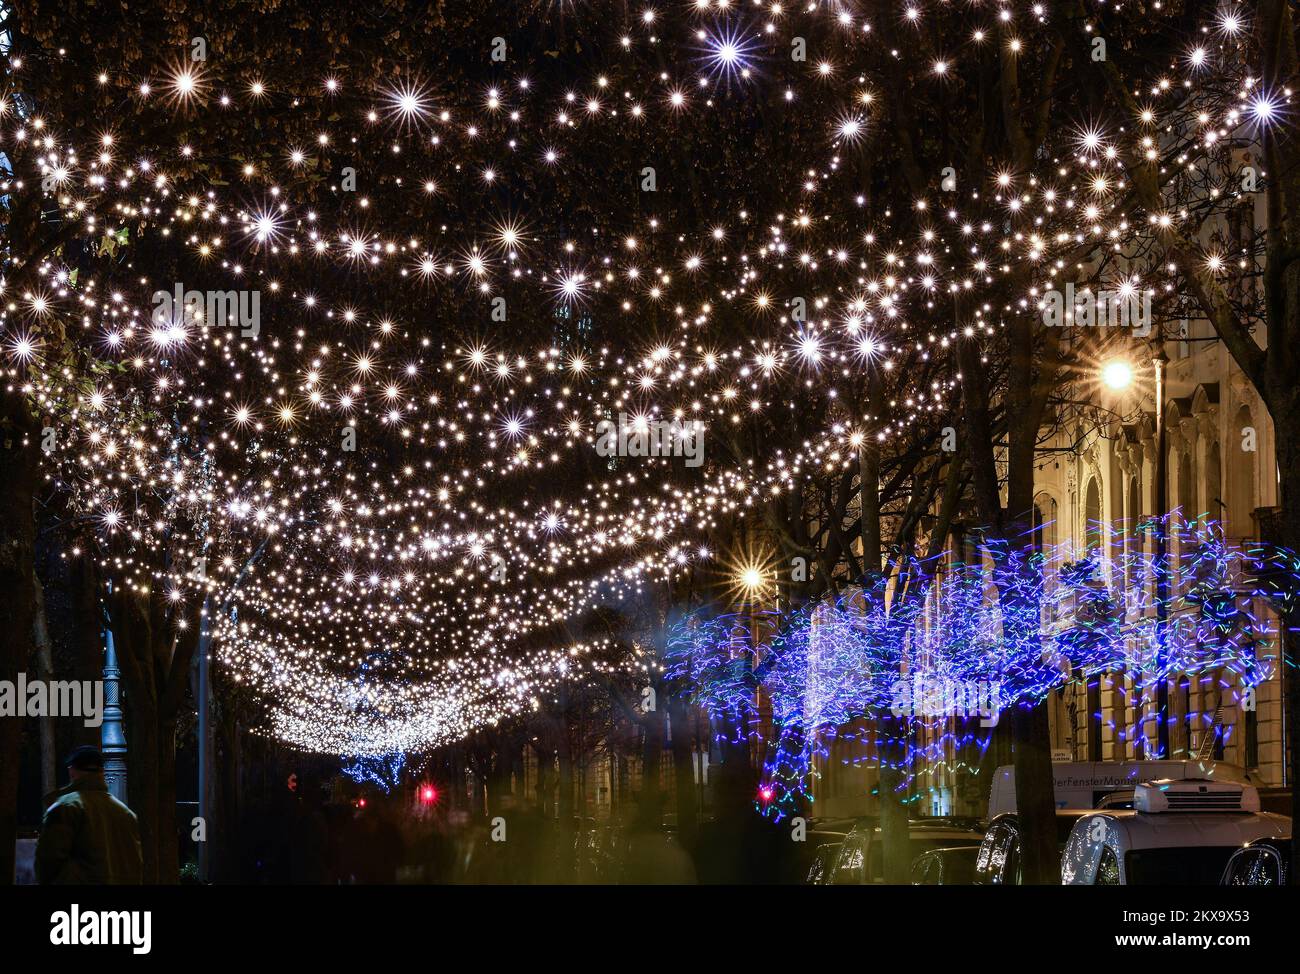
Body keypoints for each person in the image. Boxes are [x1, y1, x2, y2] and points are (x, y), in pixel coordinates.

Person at [36, 746, 143, 884]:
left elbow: (48, 861)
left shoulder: (66, 807)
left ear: (72, 771)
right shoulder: (126, 814)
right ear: (102, 771)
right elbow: (135, 864)